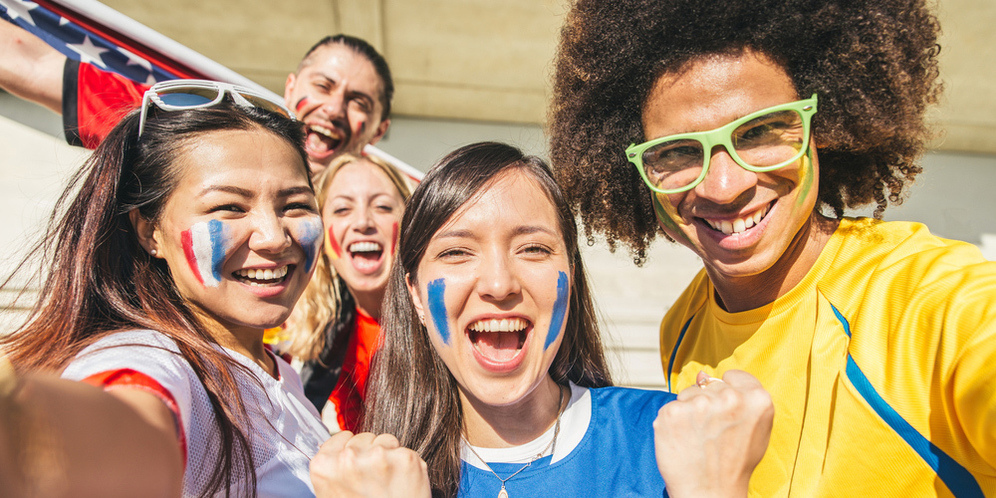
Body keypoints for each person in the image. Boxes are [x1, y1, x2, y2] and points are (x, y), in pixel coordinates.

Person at [549, 0, 996, 496]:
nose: (722, 185)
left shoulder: (927, 302)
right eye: (676, 152)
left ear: (819, 129)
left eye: (759, 131)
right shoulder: (682, 328)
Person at [309, 142, 774, 498]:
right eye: (456, 252)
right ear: (413, 293)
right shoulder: (373, 479)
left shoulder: (666, 439)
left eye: (532, 248)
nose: (499, 283)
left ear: (570, 276)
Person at [0, 80, 331, 496]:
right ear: (150, 231)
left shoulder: (278, 373)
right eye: (228, 207)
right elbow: (118, 423)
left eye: (295, 205)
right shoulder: (152, 360)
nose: (274, 237)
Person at [0, 21, 392, 175]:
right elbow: (30, 62)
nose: (334, 109)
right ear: (291, 87)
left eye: (359, 102)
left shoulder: (386, 231)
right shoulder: (205, 135)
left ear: (379, 131)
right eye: (323, 86)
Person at [283, 152, 411, 430]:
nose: (363, 222)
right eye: (342, 209)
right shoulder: (328, 334)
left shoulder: (439, 323)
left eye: (383, 207)